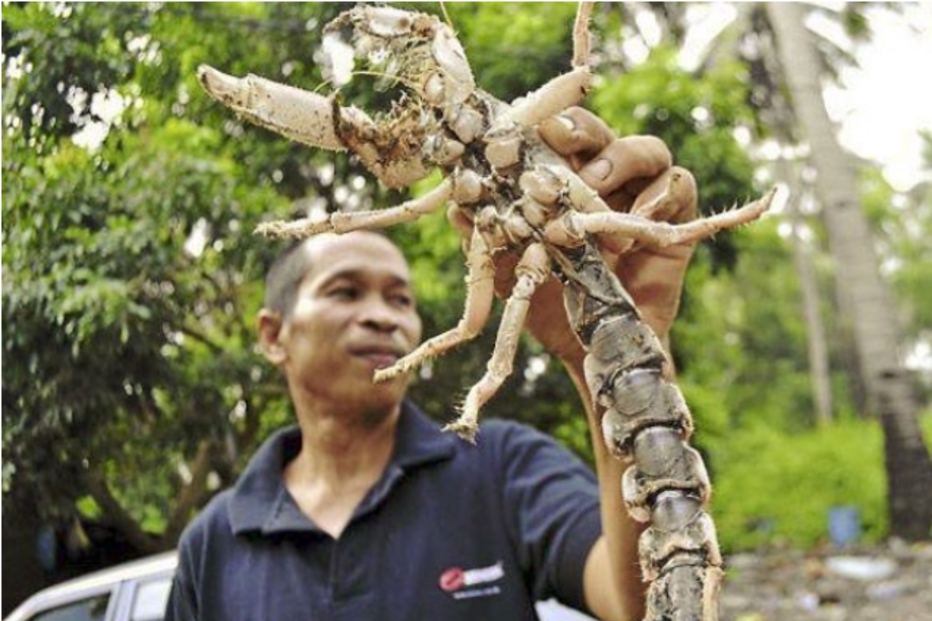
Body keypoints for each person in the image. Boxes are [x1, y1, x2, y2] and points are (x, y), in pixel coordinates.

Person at [166, 107, 698, 621]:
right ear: (273, 334)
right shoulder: (212, 544)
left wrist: (609, 344)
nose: (382, 317)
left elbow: (641, 606)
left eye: (400, 300)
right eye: (345, 292)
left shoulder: (502, 467)